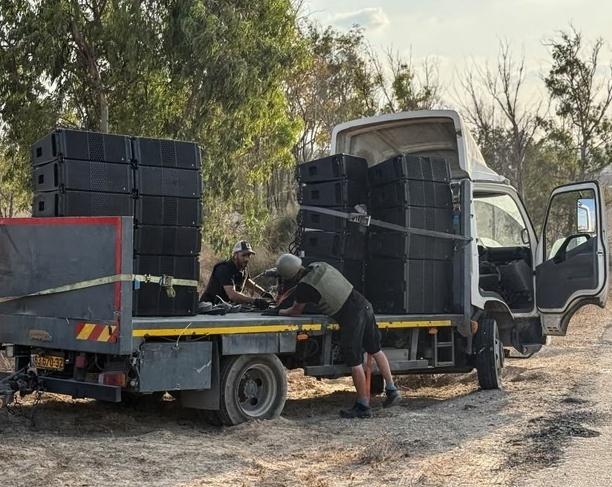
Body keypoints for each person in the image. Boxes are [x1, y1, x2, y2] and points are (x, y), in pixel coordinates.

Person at [274, 254, 401, 418]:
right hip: (364, 305)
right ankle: (392, 390)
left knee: (355, 361)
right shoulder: (319, 265)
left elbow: (296, 310)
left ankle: (363, 406)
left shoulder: (304, 288)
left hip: (351, 316)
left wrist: (279, 311)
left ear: (288, 276)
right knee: (375, 349)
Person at [200, 240, 272, 309]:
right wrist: (254, 301)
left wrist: (263, 292)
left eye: (248, 255)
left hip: (225, 308)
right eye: (243, 255)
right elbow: (232, 295)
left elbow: (246, 281)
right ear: (235, 255)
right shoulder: (224, 269)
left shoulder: (242, 267)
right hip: (209, 309)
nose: (247, 259)